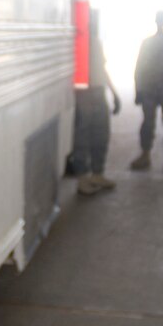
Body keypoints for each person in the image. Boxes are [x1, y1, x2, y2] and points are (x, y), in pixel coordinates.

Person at [73, 11, 123, 196]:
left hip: (99, 92)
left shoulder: (95, 41)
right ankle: (82, 178)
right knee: (82, 138)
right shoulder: (76, 42)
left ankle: (97, 173)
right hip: (84, 93)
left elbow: (102, 69)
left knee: (101, 133)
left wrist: (114, 92)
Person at [130, 11, 163, 173]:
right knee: (148, 123)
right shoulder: (147, 43)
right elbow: (139, 68)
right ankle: (146, 154)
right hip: (149, 90)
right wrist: (138, 90)